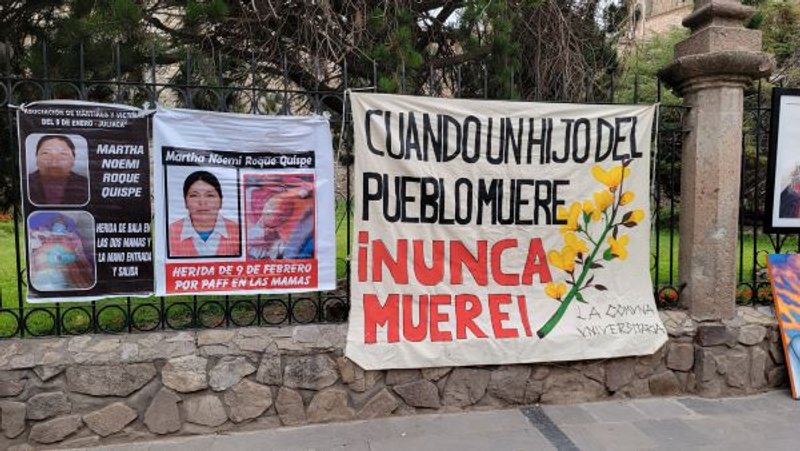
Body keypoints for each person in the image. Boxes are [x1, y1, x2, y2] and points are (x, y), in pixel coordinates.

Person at [169, 170, 240, 257]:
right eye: (194, 195)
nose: (202, 202)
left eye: (210, 195)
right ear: (185, 202)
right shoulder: (170, 233)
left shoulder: (238, 232)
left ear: (221, 201)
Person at [247, 178, 315, 260]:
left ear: (281, 220)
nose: (268, 209)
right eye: (270, 204)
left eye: (273, 212)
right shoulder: (253, 230)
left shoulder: (281, 243)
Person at [29, 214, 94, 291]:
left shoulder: (68, 240)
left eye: (61, 238)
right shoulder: (48, 236)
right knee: (45, 269)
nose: (57, 239)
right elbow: (38, 240)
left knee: (63, 273)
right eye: (55, 237)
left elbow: (72, 255)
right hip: (48, 268)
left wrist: (64, 255)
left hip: (58, 268)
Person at [27, 135, 89, 206]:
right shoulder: (25, 183)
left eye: (63, 154)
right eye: (46, 153)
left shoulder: (85, 185)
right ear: (37, 159)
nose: (54, 163)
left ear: (73, 160)